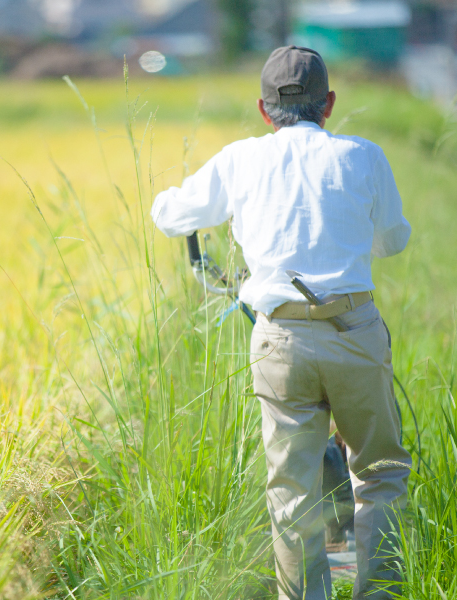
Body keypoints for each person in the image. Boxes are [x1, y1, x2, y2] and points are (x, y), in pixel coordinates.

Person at [151, 45, 412, 600]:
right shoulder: (363, 156)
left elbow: (172, 216)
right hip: (353, 330)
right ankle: (381, 593)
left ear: (265, 110)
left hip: (279, 339)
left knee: (291, 490)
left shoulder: (240, 159)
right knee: (381, 470)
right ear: (330, 104)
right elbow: (393, 241)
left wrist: (178, 195)